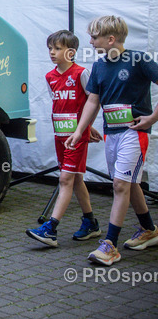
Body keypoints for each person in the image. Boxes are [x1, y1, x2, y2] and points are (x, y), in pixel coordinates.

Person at [66, 16, 158, 266]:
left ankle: (110, 245)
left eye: (94, 37)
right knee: (129, 183)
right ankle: (149, 229)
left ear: (110, 39)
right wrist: (78, 131)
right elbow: (93, 101)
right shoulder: (99, 66)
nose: (91, 41)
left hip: (134, 133)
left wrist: (151, 118)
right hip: (111, 133)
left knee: (119, 185)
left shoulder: (140, 59)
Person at [26, 30, 102, 247]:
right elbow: (59, 106)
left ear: (71, 52)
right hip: (60, 136)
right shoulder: (50, 77)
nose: (52, 52)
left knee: (65, 179)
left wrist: (85, 128)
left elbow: (93, 101)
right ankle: (90, 223)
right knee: (76, 178)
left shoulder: (81, 74)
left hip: (76, 138)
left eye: (57, 48)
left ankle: (50, 228)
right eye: (50, 48)